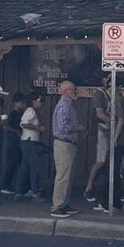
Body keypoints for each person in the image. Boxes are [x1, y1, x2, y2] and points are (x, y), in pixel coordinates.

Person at [84, 87, 124, 209]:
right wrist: (114, 122)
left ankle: (113, 196)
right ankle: (89, 187)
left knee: (112, 164)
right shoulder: (99, 95)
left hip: (112, 132)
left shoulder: (117, 99)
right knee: (101, 161)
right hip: (103, 130)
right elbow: (100, 114)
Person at [50, 80, 85, 219]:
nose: (75, 92)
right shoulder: (64, 106)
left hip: (69, 143)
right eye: (72, 90)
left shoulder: (69, 105)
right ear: (65, 91)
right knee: (63, 176)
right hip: (64, 143)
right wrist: (79, 128)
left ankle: (64, 203)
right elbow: (63, 127)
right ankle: (57, 205)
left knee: (68, 176)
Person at [14, 93, 46, 200]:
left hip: (28, 141)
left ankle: (19, 192)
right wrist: (38, 128)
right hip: (29, 141)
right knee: (34, 166)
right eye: (40, 101)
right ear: (35, 101)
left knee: (25, 167)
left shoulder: (33, 112)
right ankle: (35, 192)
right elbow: (23, 124)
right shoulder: (30, 111)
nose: (41, 104)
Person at [0, 93, 27, 195]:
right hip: (13, 142)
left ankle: (21, 186)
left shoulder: (21, 114)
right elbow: (6, 126)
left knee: (20, 164)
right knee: (11, 164)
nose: (23, 105)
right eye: (21, 103)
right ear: (16, 103)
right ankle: (5, 185)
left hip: (20, 142)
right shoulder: (13, 114)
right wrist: (17, 132)